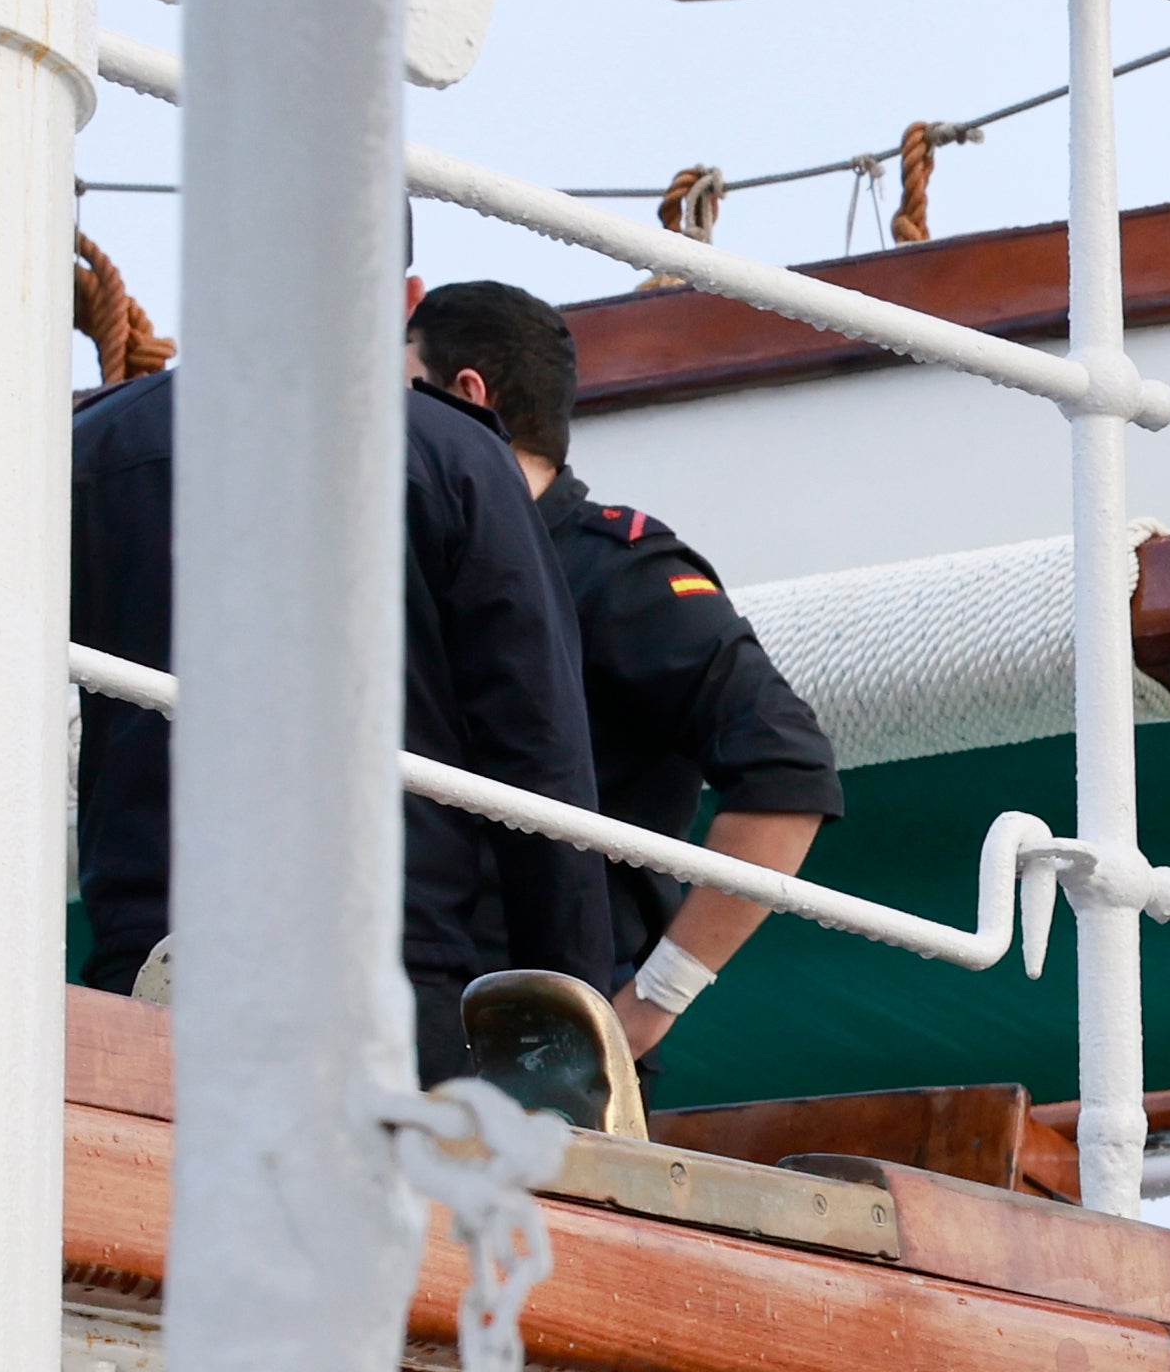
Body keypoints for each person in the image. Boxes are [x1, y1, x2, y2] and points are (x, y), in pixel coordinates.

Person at [70, 315, 632, 1084]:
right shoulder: (456, 455)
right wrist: (565, 1021)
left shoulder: (93, 448)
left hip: (147, 970)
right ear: (401, 291)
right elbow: (539, 752)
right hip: (394, 974)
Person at [402, 280, 848, 1060]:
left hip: (534, 1062)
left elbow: (786, 770)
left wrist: (640, 1011)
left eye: (401, 393)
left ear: (468, 394)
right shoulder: (415, 568)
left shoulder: (619, 576)